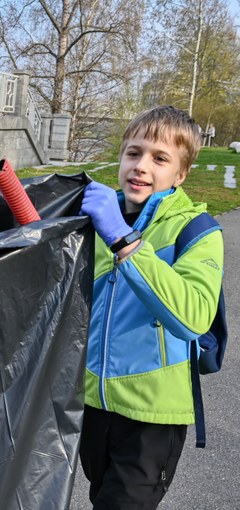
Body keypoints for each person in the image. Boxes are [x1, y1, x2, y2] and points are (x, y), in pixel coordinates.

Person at [79, 105, 224, 509]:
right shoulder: (96, 221)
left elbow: (192, 316)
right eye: (133, 153)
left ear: (180, 175)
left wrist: (124, 242)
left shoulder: (197, 230)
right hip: (94, 403)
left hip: (152, 415)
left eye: (159, 158)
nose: (141, 166)